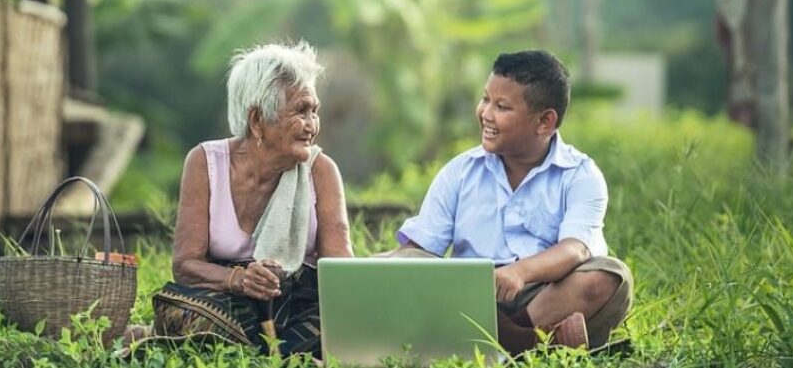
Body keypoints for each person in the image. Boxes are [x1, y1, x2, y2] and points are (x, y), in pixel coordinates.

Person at [392, 50, 632, 353]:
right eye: (485, 99)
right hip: (471, 296)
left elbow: (575, 249)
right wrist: (368, 267)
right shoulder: (460, 171)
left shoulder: (580, 174)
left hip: (545, 296)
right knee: (410, 263)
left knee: (609, 276)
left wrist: (520, 273)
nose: (485, 113)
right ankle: (528, 344)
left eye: (502, 106)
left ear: (545, 122)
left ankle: (495, 342)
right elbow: (420, 249)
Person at [146, 41, 353, 357]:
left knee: (338, 326)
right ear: (257, 120)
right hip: (228, 302)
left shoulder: (321, 171)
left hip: (299, 305)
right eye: (301, 111)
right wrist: (239, 278)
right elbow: (186, 265)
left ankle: (274, 352)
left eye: (315, 111)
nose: (312, 126)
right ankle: (282, 355)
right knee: (191, 316)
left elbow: (341, 276)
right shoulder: (205, 162)